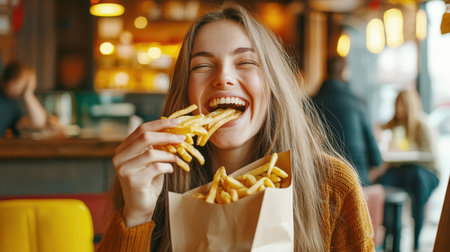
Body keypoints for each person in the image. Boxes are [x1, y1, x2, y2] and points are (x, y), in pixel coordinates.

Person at [96, 4, 374, 251]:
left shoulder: (332, 187)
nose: (224, 77)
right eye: (202, 65)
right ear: (185, 93)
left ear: (272, 85)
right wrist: (136, 215)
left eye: (246, 62)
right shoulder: (154, 184)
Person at [374, 89, 439, 251]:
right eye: (397, 104)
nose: (399, 109)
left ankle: (416, 239)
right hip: (404, 171)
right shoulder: (393, 125)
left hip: (425, 172)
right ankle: (389, 234)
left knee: (417, 179)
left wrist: (407, 151)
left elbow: (431, 156)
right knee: (382, 181)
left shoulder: (422, 126)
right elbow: (379, 132)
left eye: (402, 105)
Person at [313, 56, 384, 187]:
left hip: (320, 180)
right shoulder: (356, 103)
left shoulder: (311, 103)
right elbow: (375, 156)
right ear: (345, 72)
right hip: (357, 179)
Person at [0, 61, 48, 137]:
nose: (21, 88)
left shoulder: (15, 104)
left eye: (26, 85)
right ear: (6, 80)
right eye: (19, 82)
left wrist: (28, 94)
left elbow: (38, 123)